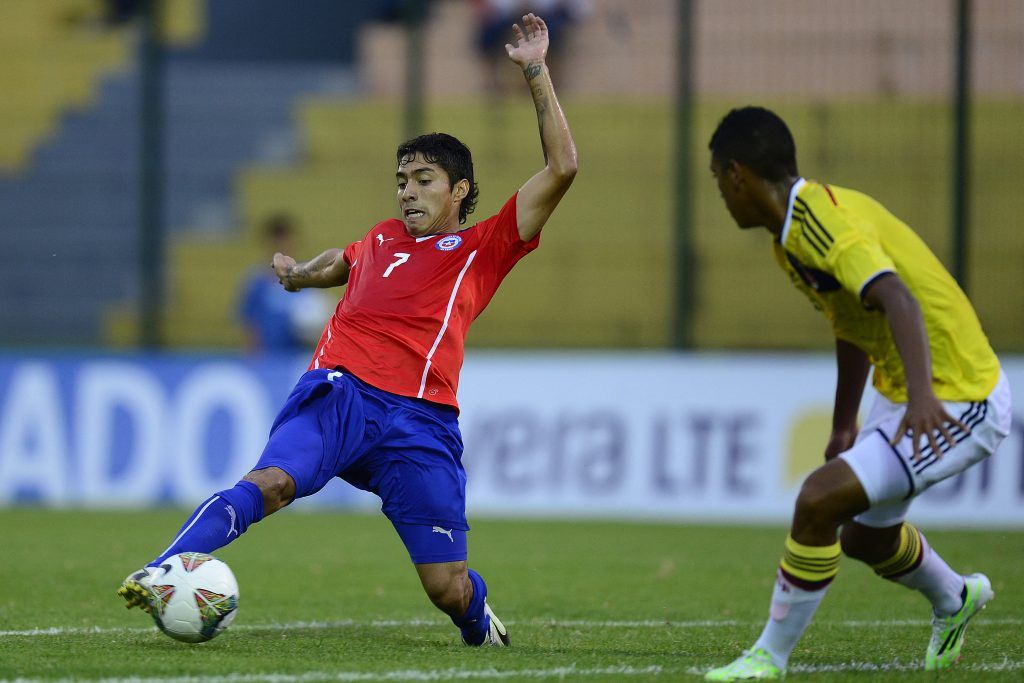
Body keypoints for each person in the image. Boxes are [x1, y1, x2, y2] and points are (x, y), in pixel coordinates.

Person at [118, 13, 577, 647]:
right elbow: (342, 259)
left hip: (421, 420)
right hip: (340, 394)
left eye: (422, 180)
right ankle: (163, 570)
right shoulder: (382, 238)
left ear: (458, 189)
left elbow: (562, 168)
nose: (406, 193)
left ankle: (479, 621)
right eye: (401, 181)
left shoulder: (484, 246)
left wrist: (534, 69)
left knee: (447, 586)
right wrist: (299, 276)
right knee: (270, 483)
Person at [703, 106, 1011, 680]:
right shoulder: (788, 239)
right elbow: (852, 322)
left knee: (818, 501)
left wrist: (922, 399)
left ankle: (768, 657)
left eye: (718, 177)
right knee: (864, 538)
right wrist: (844, 423)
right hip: (907, 389)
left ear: (738, 174)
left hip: (957, 396)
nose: (720, 192)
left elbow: (897, 298)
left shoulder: (820, 222)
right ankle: (955, 597)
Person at [238, 214, 331, 354]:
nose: (281, 245)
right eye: (276, 240)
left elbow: (317, 317)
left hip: (299, 357)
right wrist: (254, 355)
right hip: (269, 357)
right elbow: (248, 321)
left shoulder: (308, 275)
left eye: (285, 239)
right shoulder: (256, 281)